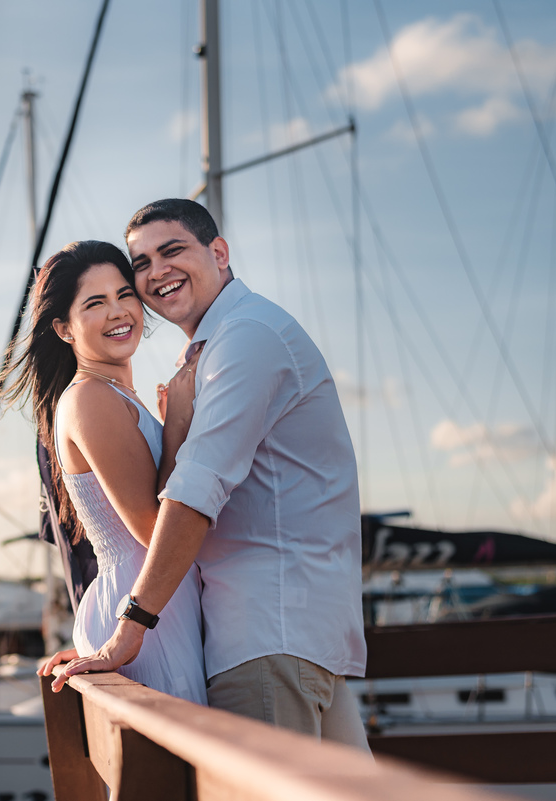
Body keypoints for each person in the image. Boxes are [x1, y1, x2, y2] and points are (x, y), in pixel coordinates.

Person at [52, 200, 369, 750]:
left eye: (172, 251)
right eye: (142, 263)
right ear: (65, 328)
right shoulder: (214, 350)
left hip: (266, 626)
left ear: (218, 253)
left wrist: (126, 632)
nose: (154, 274)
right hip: (266, 626)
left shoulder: (243, 340)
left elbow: (195, 491)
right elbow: (176, 501)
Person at [1, 240, 206, 703]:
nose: (118, 312)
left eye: (124, 295)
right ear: (64, 329)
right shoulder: (91, 397)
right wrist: (177, 425)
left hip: (151, 601)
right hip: (145, 609)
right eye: (95, 303)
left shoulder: (114, 395)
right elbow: (156, 528)